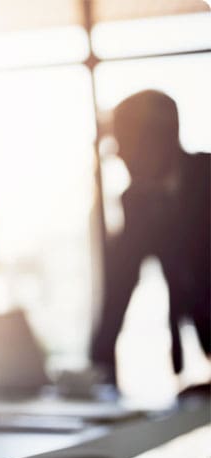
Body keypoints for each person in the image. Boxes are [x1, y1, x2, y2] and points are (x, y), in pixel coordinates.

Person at [90, 90, 210, 385]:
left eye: (126, 140)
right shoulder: (138, 201)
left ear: (159, 139)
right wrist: (95, 368)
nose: (119, 153)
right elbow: (119, 286)